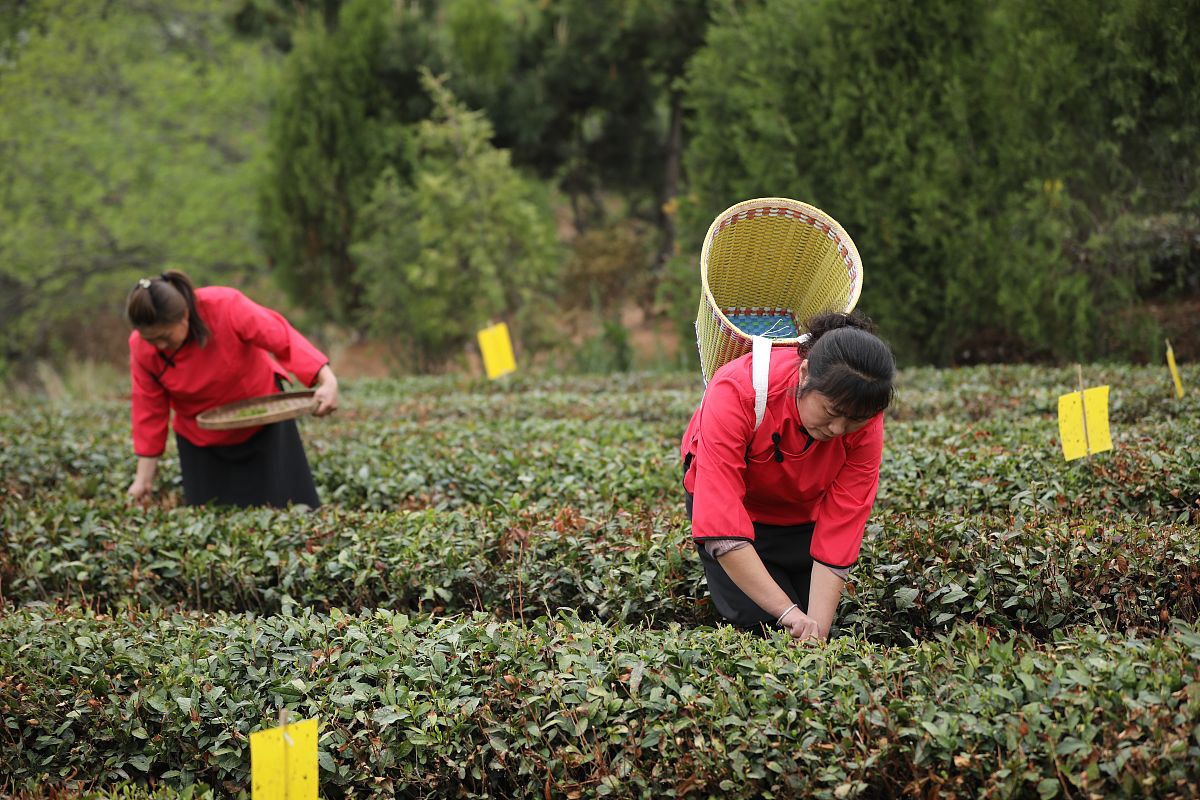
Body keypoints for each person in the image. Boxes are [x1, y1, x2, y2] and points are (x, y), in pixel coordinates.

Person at [681, 312, 895, 640]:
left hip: (802, 508)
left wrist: (817, 630)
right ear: (805, 374)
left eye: (854, 421)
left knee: (818, 622)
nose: (839, 429)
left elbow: (843, 520)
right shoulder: (738, 389)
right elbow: (721, 521)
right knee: (764, 627)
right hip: (741, 510)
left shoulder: (864, 416)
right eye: (831, 412)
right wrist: (787, 613)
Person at [125, 270, 339, 508]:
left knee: (290, 509)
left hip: (263, 422)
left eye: (165, 336)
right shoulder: (141, 349)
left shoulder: (224, 306)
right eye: (151, 339)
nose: (160, 345)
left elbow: (282, 339)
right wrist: (143, 480)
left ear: (184, 315)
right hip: (201, 440)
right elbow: (149, 410)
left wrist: (327, 380)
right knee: (215, 524)